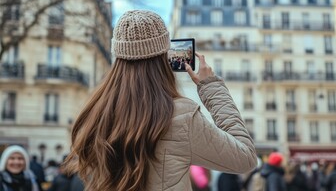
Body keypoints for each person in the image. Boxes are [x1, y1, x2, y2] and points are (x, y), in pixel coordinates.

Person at [63, 10, 257, 191]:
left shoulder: (96, 113)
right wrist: (211, 87)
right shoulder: (181, 116)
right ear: (165, 56)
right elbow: (245, 158)